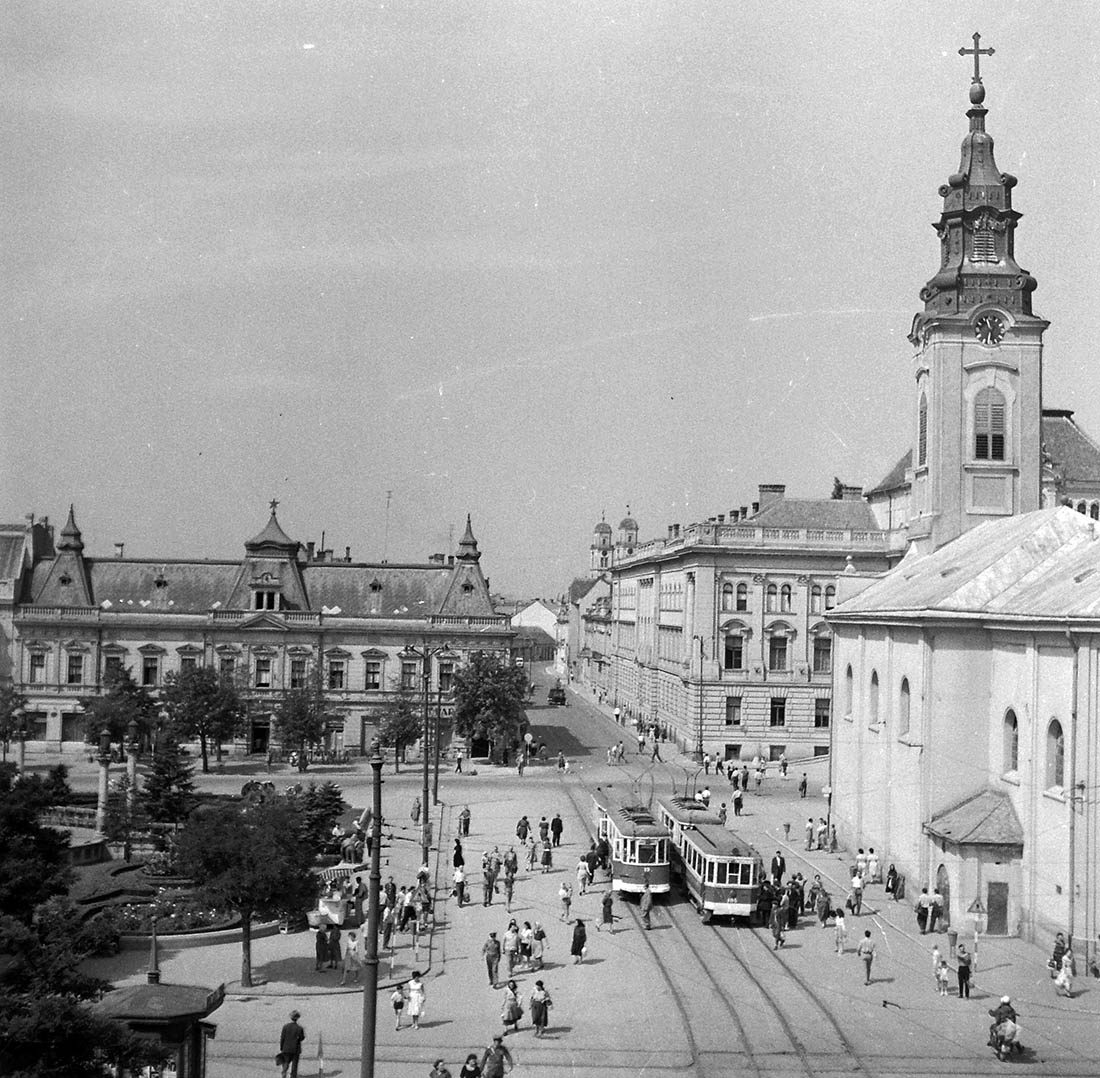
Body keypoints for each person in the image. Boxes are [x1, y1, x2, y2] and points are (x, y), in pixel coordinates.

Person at [278, 1010, 305, 1078]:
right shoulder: (299, 1028)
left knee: (286, 1063)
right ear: (297, 1018)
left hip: (286, 1048)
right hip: (295, 1049)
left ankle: (284, 1074)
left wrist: (281, 1047)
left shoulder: (285, 1026)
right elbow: (302, 1038)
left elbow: (282, 1038)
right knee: (294, 1065)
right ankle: (293, 1076)